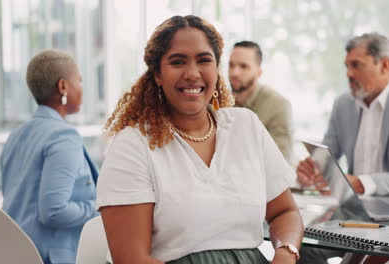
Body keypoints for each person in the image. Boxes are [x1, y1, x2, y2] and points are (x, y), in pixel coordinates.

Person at [97, 15, 303, 264]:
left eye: (204, 60)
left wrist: (286, 253)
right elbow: (132, 258)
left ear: (216, 69)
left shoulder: (245, 125)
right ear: (158, 75)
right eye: (177, 62)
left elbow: (285, 211)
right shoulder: (133, 145)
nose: (192, 73)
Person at [296, 33, 389, 264]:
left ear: (384, 65)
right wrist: (314, 170)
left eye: (356, 65)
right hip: (355, 213)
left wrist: (362, 183)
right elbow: (329, 156)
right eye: (347, 66)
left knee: (368, 260)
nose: (349, 74)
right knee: (302, 246)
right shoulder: (343, 104)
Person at [0, 49, 99, 264]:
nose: (82, 89)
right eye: (79, 82)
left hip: (14, 252)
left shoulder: (16, 134)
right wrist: (99, 207)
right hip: (50, 256)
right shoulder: (63, 136)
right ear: (63, 86)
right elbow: (54, 211)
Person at [229, 41, 293, 160]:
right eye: (231, 65)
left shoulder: (278, 105)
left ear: (259, 72)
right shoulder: (220, 104)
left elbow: (279, 160)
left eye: (243, 66)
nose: (234, 73)